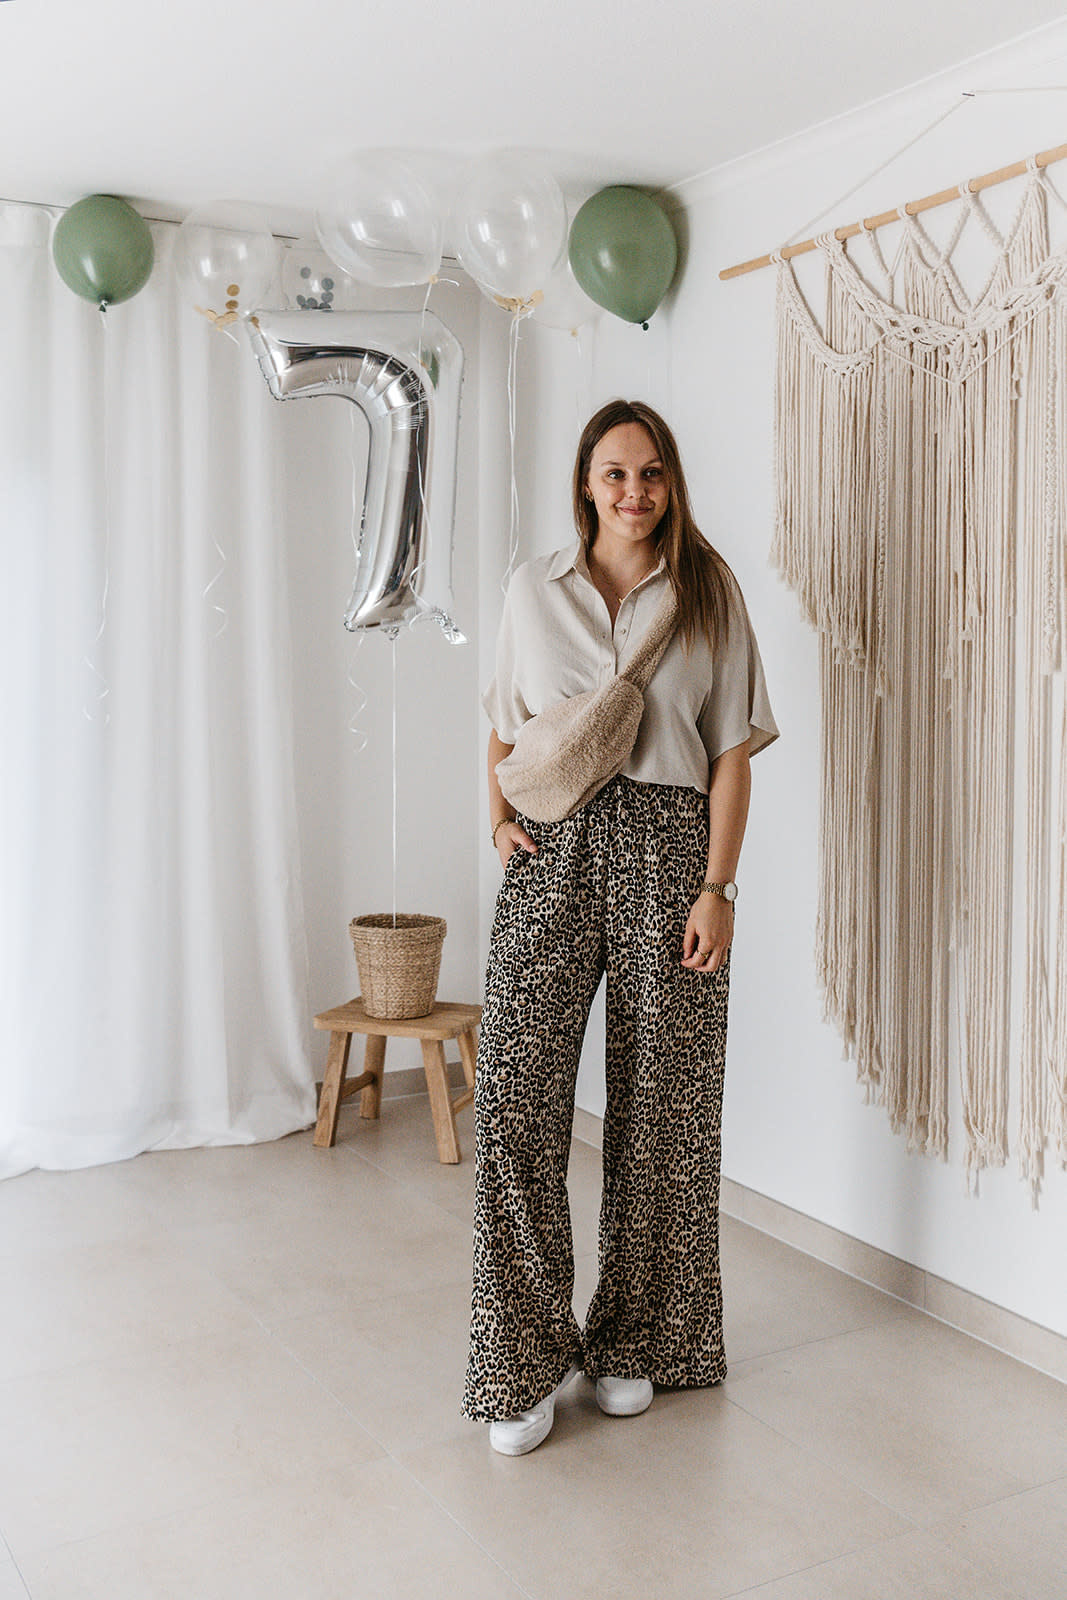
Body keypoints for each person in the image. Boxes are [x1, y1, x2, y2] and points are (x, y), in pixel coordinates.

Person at [463, 398, 778, 1456]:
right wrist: (498, 822)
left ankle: (634, 1338)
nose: (633, 491)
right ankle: (517, 1360)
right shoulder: (531, 588)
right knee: (514, 1099)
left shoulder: (707, 592)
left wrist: (717, 887)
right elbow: (502, 724)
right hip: (551, 852)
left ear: (669, 481)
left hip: (671, 850)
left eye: (649, 473)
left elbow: (730, 750)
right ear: (585, 483)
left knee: (661, 1109)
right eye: (614, 473)